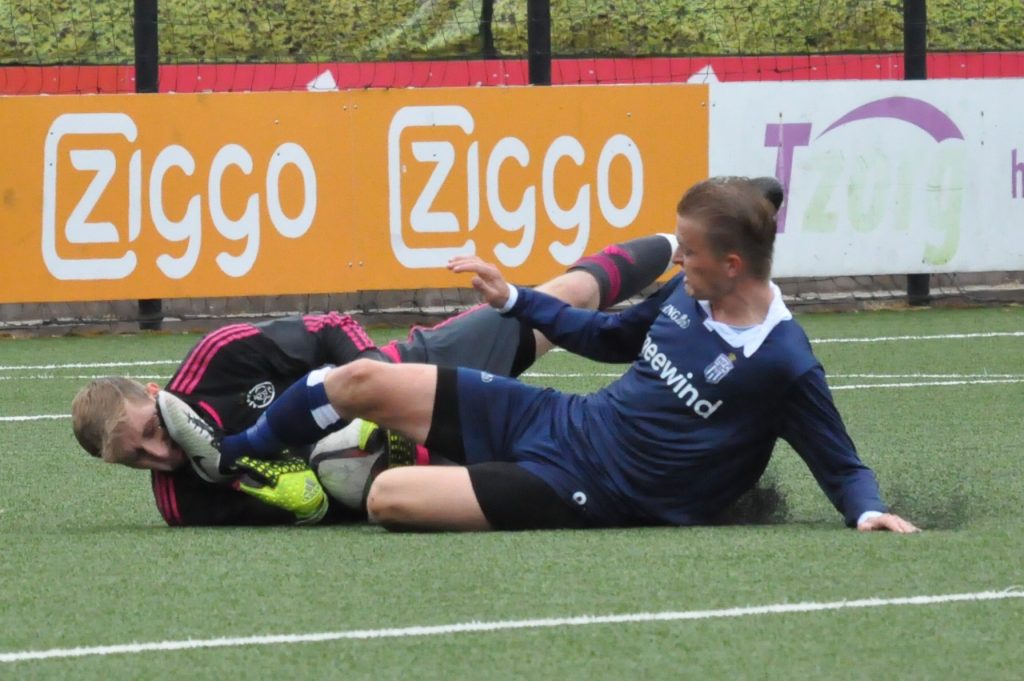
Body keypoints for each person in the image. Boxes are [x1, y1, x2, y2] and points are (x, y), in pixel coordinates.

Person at [161, 176, 918, 534]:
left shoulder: (783, 360)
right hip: (563, 419)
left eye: (686, 252)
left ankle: (400, 464)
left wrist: (869, 511)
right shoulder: (686, 297)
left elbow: (839, 459)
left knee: (389, 499)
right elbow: (605, 336)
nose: (676, 260)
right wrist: (514, 297)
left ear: (731, 265)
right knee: (357, 378)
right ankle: (230, 453)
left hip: (589, 490)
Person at [71, 231, 685, 526]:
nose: (158, 454)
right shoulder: (183, 504)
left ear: (156, 392)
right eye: (137, 461)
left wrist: (375, 384)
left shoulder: (219, 356)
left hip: (412, 371)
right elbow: (315, 511)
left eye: (152, 431)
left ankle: (681, 244)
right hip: (405, 468)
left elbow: (333, 325)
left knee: (558, 302)